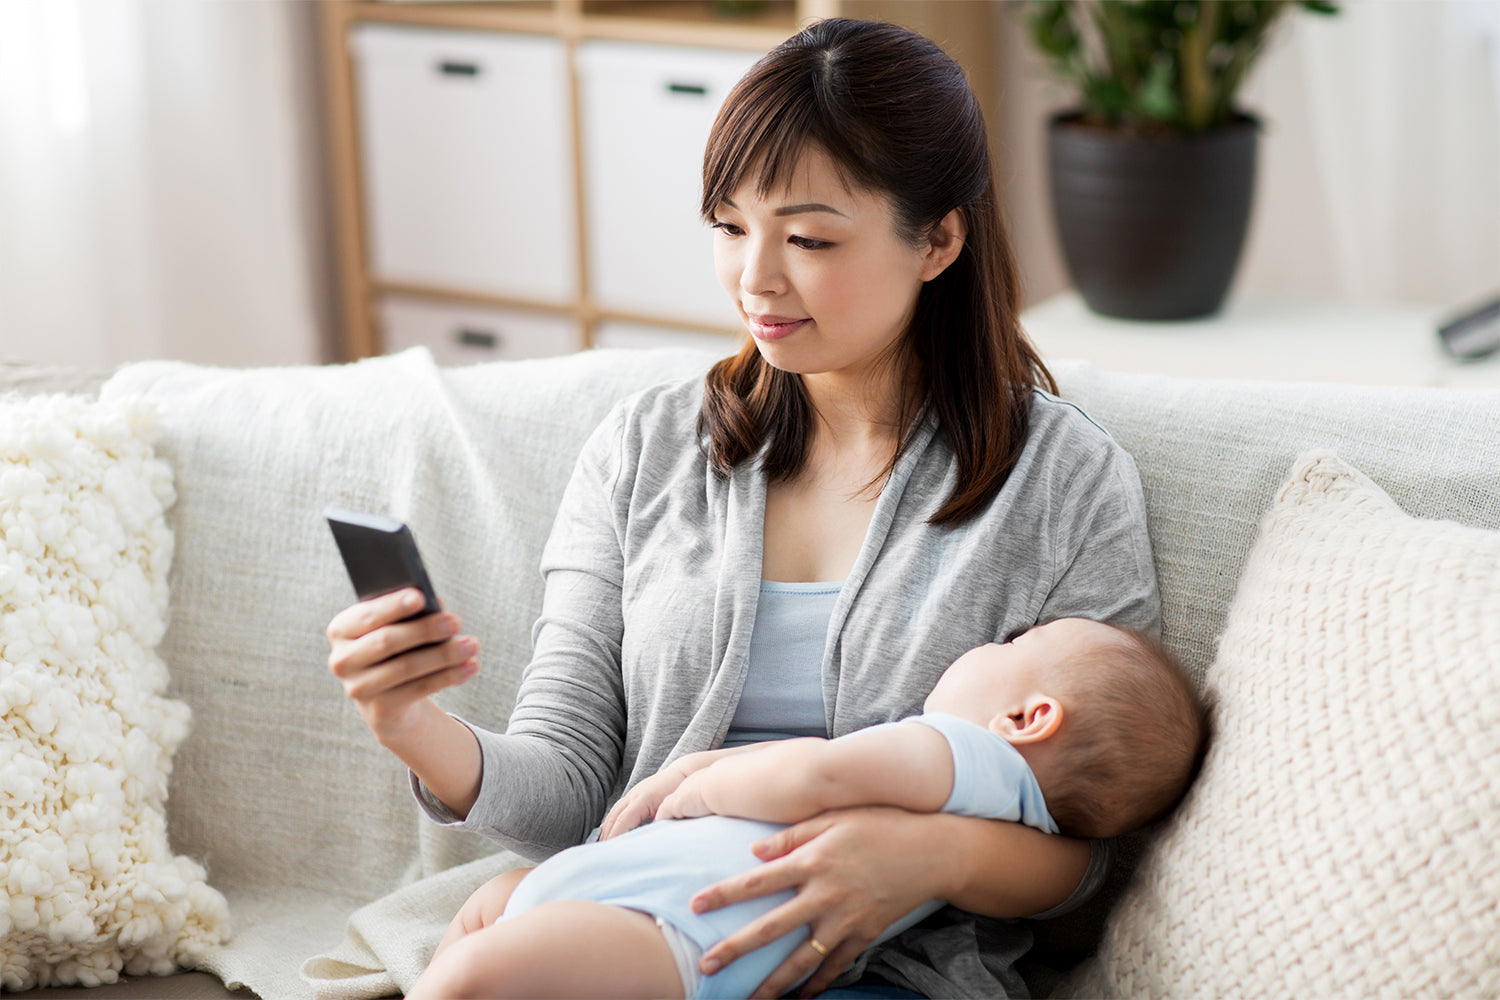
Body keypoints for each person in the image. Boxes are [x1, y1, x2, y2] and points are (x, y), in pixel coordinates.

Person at [325, 16, 1161, 1000]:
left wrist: (926, 858)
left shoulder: (1063, 481)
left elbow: (1092, 848)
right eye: (729, 227)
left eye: (808, 238)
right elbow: (572, 788)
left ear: (938, 239)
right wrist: (413, 724)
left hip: (896, 971)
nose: (755, 279)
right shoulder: (641, 454)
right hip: (650, 928)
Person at [406, 617, 1205, 1000]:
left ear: (1028, 718)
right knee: (494, 912)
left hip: (679, 931)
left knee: (475, 969)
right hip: (650, 904)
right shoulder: (989, 800)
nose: (986, 645)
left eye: (1009, 645)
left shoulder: (963, 753)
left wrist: (700, 786)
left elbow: (815, 776)